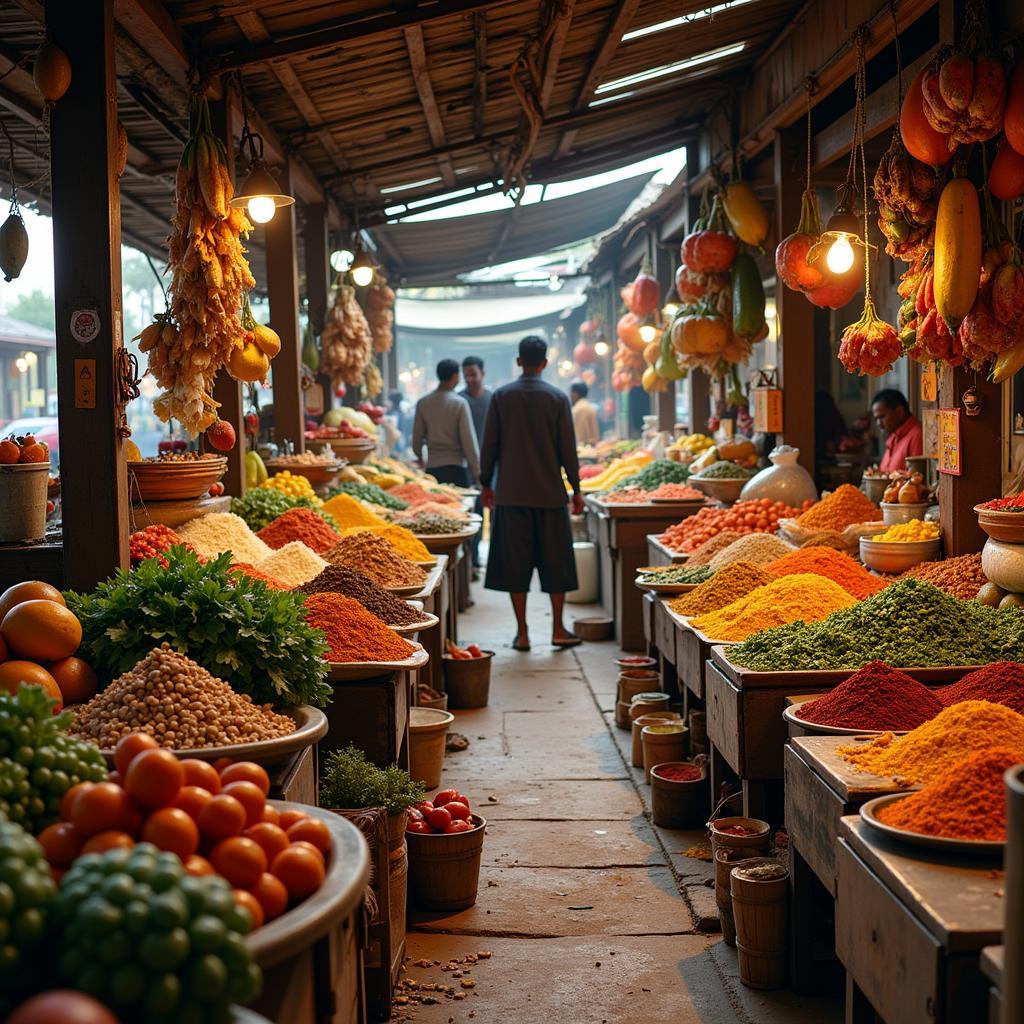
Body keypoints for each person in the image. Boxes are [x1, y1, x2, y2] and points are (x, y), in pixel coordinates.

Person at [480, 336, 584, 652]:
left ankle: (523, 633)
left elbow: (490, 446)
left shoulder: (501, 397)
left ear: (519, 361)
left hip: (511, 496)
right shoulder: (557, 398)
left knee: (515, 567)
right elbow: (568, 449)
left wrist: (486, 484)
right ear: (545, 363)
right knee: (557, 564)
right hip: (550, 496)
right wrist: (576, 489)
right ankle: (557, 630)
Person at [412, 359, 480, 486]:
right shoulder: (459, 403)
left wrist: (420, 457)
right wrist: (477, 471)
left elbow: (417, 438)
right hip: (457, 469)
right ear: (455, 376)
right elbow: (469, 441)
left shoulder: (423, 403)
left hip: (433, 469)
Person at [459, 356, 492, 573]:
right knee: (472, 514)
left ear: (483, 373)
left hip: (492, 464)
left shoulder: (493, 398)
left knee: (490, 512)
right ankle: (472, 561)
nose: (470, 379)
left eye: (473, 374)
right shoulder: (459, 400)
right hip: (466, 467)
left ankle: (485, 558)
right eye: (466, 375)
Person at [872, 388, 923, 473]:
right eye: (876, 419)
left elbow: (917, 479)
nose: (878, 423)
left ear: (900, 412)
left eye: (882, 417)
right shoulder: (894, 436)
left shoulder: (917, 435)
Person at [569, 380, 600, 446]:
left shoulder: (577, 409)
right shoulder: (589, 406)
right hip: (592, 447)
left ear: (575, 394)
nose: (570, 396)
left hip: (584, 449)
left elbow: (579, 437)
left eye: (571, 393)